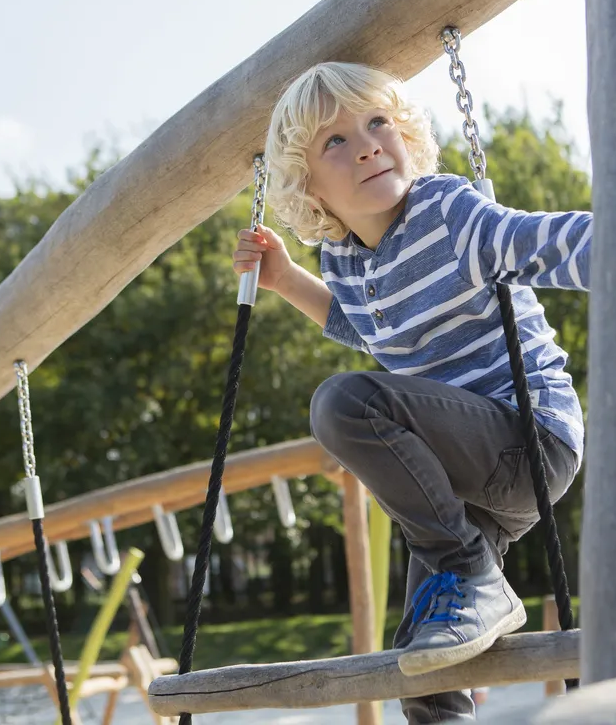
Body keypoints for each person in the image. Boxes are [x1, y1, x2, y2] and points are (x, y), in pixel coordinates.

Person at [232, 61, 591, 723]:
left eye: (378, 123)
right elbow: (363, 327)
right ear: (308, 187)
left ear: (406, 136)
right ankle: (466, 587)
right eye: (334, 141)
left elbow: (538, 242)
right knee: (423, 670)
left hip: (528, 439)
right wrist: (283, 280)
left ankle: (467, 568)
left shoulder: (447, 214)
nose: (367, 144)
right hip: (464, 482)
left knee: (344, 404)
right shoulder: (343, 259)